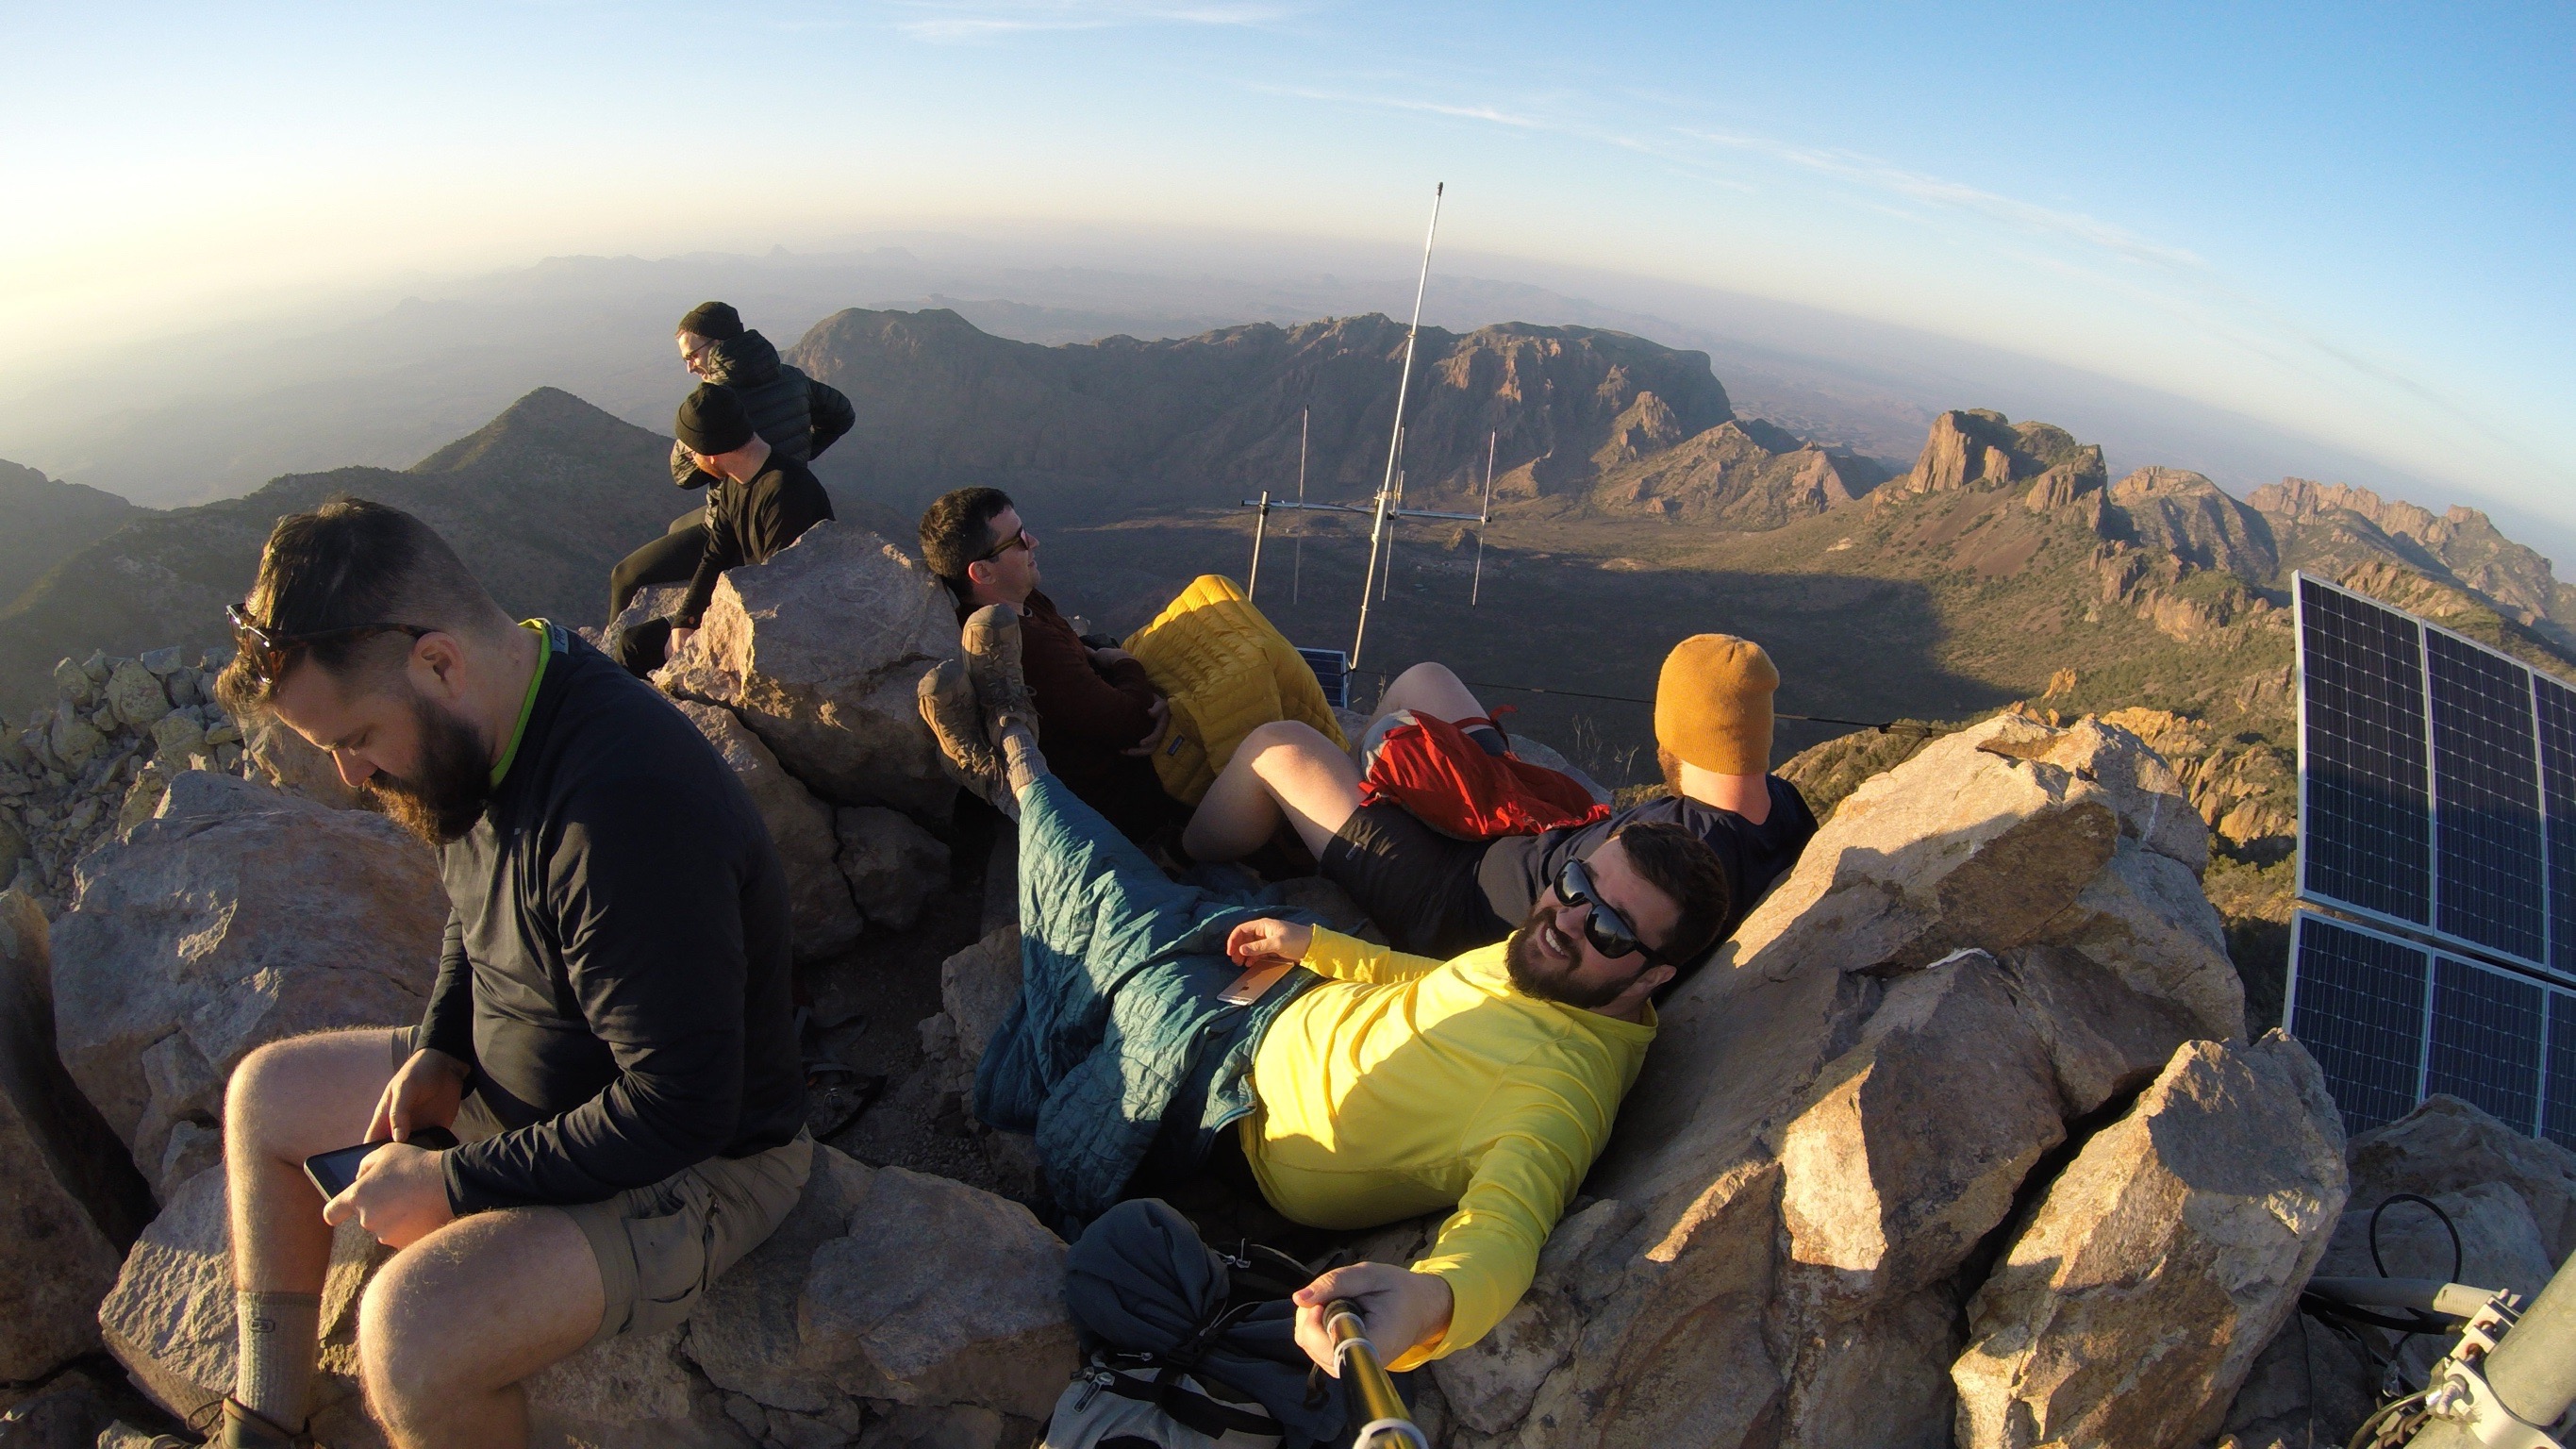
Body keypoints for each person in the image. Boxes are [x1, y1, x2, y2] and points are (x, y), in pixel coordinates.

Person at [930, 608, 1729, 1376]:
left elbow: (1508, 1227)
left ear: (1653, 974)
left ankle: (1013, 755)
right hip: (1279, 993)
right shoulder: (1546, 972)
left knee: (1112, 910)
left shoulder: (1561, 1090)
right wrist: (1318, 945)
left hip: (1232, 1098)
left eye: (1612, 931)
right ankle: (1015, 771)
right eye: (1579, 881)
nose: (1571, 919)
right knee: (1145, 901)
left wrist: (1430, 1304)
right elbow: (1437, 983)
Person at [195, 498, 807, 1449]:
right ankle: (263, 1422)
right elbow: (476, 902)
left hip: (697, 1166)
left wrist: (454, 1188)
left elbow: (685, 1105)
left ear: (437, 661)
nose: (353, 777)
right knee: (264, 1096)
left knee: (410, 1336)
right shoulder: (494, 711)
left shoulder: (621, 813)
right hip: (533, 1089)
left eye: (355, 740)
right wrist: (443, 1043)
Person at [1182, 636, 1820, 961]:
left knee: (1279, 745)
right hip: (1516, 830)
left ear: (1671, 733)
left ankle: (1186, 843)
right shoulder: (1783, 807)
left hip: (1450, 901)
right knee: (1423, 680)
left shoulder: (1678, 847)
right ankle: (1331, 825)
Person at [915, 486, 1175, 841]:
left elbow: (1076, 652)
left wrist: (1096, 654)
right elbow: (1137, 724)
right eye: (1018, 539)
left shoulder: (1025, 601)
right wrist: (1125, 663)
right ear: (982, 573)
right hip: (1125, 806)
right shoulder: (1031, 647)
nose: (1033, 541)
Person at [605, 300, 856, 625]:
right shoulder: (791, 378)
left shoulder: (716, 399)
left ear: (718, 345)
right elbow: (842, 414)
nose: (690, 367)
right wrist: (796, 456)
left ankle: (608, 664)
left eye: (692, 356)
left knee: (625, 575)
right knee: (677, 528)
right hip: (782, 505)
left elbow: (682, 475)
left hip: (737, 520)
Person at [611, 383, 835, 675]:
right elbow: (715, 554)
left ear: (711, 454)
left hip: (777, 627)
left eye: (692, 453)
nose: (692, 459)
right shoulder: (735, 481)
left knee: (641, 655)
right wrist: (686, 620)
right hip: (748, 601)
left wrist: (711, 630)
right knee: (632, 644)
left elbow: (781, 594)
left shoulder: (786, 493)